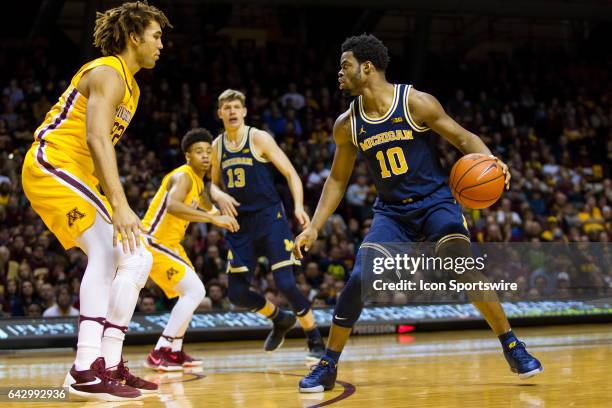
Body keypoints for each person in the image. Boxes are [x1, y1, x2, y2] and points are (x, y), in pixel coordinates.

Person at [295, 34, 543, 393]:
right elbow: (337, 178)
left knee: (462, 264)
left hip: (436, 203)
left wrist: (493, 161)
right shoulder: (346, 124)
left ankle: (513, 346)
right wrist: (315, 227)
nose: (339, 73)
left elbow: (462, 138)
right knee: (360, 279)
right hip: (392, 214)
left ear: (367, 68)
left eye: (345, 65)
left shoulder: (414, 103)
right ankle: (328, 365)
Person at [21, 1, 171, 401]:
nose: (161, 44)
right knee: (106, 251)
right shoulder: (107, 70)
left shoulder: (133, 87)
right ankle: (84, 367)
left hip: (77, 173)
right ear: (134, 36)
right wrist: (120, 204)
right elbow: (95, 137)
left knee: (138, 257)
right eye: (156, 36)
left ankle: (108, 361)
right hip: (52, 161)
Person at [210, 89, 325, 361]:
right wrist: (218, 194)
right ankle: (280, 319)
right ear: (220, 113)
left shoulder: (259, 137)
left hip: (270, 218)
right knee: (236, 293)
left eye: (237, 107)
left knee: (285, 283)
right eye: (227, 108)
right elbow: (211, 185)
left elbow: (290, 173)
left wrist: (297, 206)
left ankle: (314, 337)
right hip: (240, 225)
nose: (232, 112)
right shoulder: (217, 145)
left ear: (245, 111)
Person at [143, 128, 239, 371]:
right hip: (154, 241)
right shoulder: (183, 176)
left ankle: (174, 351)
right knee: (196, 291)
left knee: (191, 293)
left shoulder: (198, 183)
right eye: (199, 152)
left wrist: (225, 218)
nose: (205, 156)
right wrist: (213, 220)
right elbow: (173, 206)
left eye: (208, 151)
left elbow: (209, 209)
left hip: (170, 245)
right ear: (188, 156)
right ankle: (160, 351)